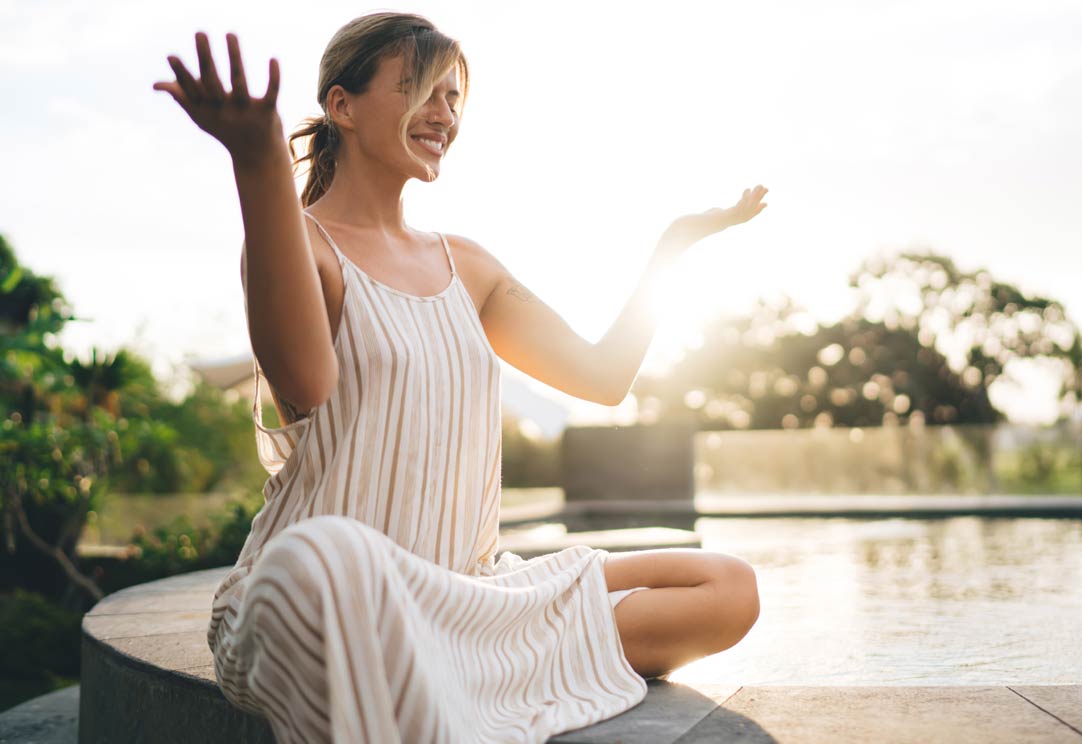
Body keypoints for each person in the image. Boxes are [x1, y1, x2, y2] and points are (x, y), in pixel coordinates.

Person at [153, 11, 767, 743]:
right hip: (319, 595)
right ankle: (457, 676)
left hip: (471, 602)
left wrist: (673, 246)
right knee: (330, 554)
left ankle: (459, 670)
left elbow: (604, 378)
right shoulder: (301, 247)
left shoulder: (467, 266)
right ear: (341, 107)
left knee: (727, 586)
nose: (443, 112)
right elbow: (308, 387)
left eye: (452, 95)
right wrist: (255, 163)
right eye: (419, 88)